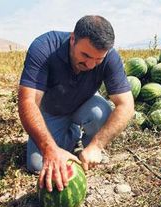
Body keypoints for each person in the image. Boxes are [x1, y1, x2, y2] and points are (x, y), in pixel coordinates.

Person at [18, 15, 134, 193]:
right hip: (52, 112)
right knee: (37, 165)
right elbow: (28, 101)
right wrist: (49, 149)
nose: (90, 64)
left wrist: (97, 146)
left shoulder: (110, 57)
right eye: (85, 55)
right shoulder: (45, 47)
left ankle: (88, 151)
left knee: (100, 113)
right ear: (73, 39)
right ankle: (70, 135)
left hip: (82, 105)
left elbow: (126, 105)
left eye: (98, 60)